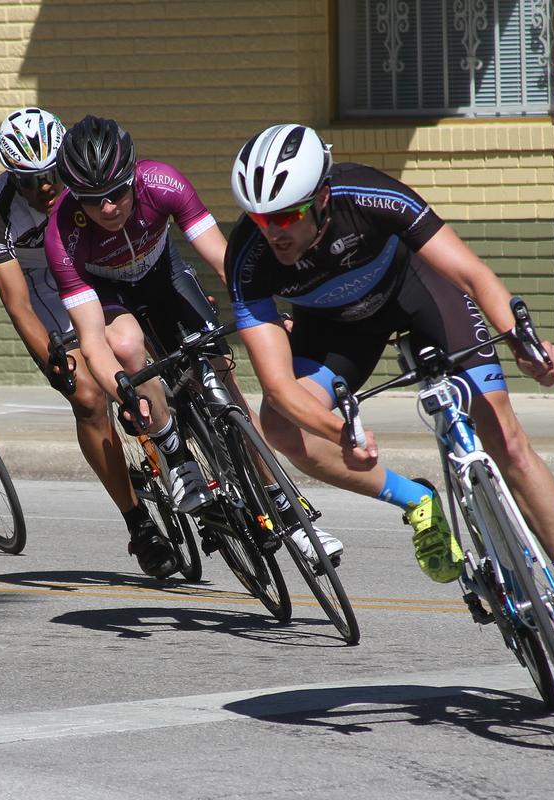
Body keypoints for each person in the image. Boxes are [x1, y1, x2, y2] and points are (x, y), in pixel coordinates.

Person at [224, 123, 554, 663]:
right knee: (276, 426)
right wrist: (341, 433)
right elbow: (276, 385)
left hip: (419, 296)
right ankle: (417, 500)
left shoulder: (370, 194)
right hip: (338, 331)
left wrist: (525, 345)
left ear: (321, 199)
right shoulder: (248, 259)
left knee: (504, 437)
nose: (272, 231)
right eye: (259, 217)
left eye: (285, 215)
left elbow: (473, 275)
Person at [45, 115, 343, 567]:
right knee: (127, 347)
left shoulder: (163, 182)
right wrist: (121, 389)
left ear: (133, 177)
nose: (108, 208)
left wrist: (266, 312)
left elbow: (227, 264)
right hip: (109, 298)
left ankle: (285, 504)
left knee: (221, 376)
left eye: (117, 193)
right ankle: (173, 448)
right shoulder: (62, 235)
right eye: (93, 200)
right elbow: (92, 340)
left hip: (165, 279)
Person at [0, 106, 178, 579]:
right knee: (87, 397)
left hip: (92, 269)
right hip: (43, 289)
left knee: (148, 344)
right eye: (30, 181)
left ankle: (186, 433)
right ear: (11, 178)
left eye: (51, 175)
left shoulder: (88, 180)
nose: (46, 188)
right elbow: (18, 304)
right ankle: (139, 525)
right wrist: (52, 356)